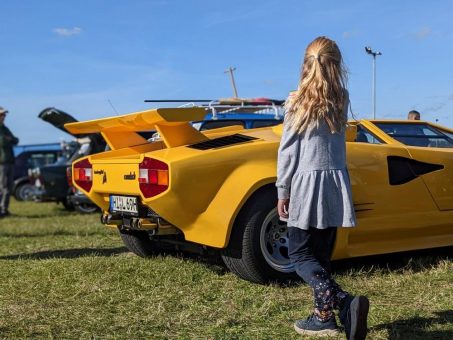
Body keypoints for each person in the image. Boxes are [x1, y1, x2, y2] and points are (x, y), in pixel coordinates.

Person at [276, 37, 369, 339]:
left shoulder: (296, 101)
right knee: (320, 253)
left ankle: (343, 303)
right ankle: (322, 317)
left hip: (306, 184)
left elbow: (288, 151)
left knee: (300, 254)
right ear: (337, 65)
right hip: (334, 185)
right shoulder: (341, 98)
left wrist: (282, 190)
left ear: (306, 64)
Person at [0, 106, 19, 217]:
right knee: (2, 187)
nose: (4, 117)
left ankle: (4, 209)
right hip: (1, 162)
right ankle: (1, 210)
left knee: (8, 187)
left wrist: (10, 139)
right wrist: (9, 140)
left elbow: (15, 140)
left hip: (9, 161)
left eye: (4, 115)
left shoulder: (5, 128)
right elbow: (3, 142)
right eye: (2, 115)